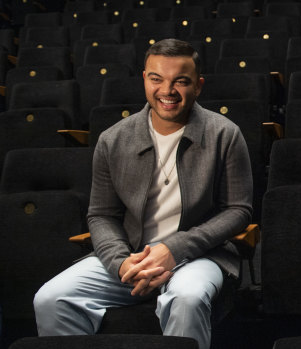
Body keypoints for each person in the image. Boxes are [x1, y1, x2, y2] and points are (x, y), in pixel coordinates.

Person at [33, 38, 253, 349]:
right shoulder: (113, 139)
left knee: (187, 298)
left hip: (199, 255)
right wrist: (121, 262)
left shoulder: (224, 134)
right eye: (157, 79)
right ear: (144, 80)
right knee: (51, 298)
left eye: (181, 81)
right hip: (131, 254)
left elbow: (238, 210)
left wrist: (174, 249)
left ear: (199, 85)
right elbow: (101, 214)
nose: (168, 90)